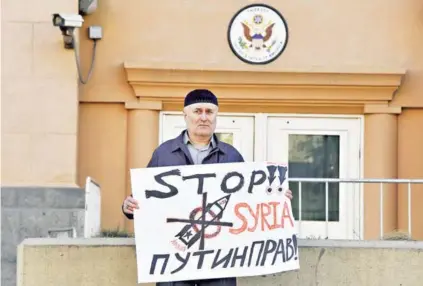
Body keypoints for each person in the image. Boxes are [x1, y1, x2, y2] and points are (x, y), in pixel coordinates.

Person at [122, 89, 293, 286]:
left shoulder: (232, 156)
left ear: (216, 116)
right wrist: (128, 206)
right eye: (197, 111)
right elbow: (143, 200)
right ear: (185, 115)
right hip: (174, 265)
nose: (203, 117)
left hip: (219, 265)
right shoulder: (164, 153)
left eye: (209, 112)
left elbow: (249, 200)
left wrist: (275, 198)